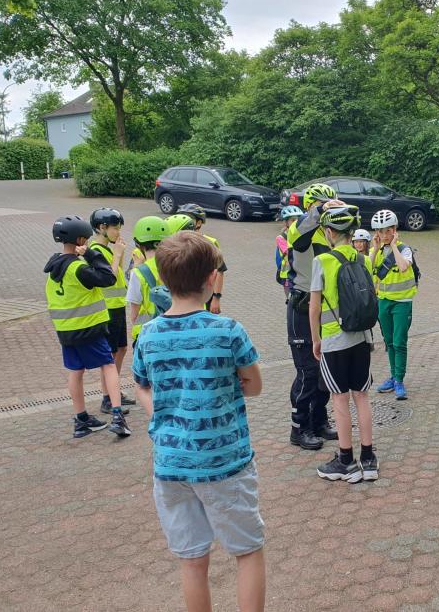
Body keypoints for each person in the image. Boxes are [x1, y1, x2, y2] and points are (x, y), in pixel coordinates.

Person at [132, 231, 265, 612]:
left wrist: (160, 410)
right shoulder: (227, 330)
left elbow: (140, 385)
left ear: (163, 280)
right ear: (211, 279)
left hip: (171, 465)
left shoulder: (149, 335)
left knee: (192, 560)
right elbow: (253, 385)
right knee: (247, 552)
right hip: (225, 463)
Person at [44, 215, 131, 438]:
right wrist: (91, 253)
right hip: (88, 328)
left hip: (66, 331)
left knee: (76, 371)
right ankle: (118, 416)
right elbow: (107, 278)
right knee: (109, 366)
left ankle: (81, 420)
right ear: (81, 239)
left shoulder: (54, 269)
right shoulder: (78, 269)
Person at [309, 205, 378, 483]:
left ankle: (346, 460)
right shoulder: (364, 260)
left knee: (339, 398)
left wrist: (316, 339)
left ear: (329, 232)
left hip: (335, 340)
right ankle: (369, 459)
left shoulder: (322, 261)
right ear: (352, 233)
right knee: (362, 396)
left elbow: (314, 307)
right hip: (362, 337)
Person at [285, 183, 343, 450]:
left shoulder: (325, 234)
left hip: (322, 309)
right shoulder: (300, 228)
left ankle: (319, 420)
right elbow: (297, 238)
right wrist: (319, 209)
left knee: (323, 371)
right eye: (321, 205)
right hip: (300, 309)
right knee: (307, 371)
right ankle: (299, 428)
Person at [89, 208, 137, 415]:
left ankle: (113, 389)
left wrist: (119, 252)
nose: (118, 232)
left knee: (121, 349)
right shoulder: (96, 250)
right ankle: (107, 397)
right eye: (115, 228)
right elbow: (108, 276)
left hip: (117, 305)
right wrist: (118, 254)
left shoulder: (107, 248)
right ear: (102, 228)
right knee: (109, 354)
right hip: (107, 308)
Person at [370, 209, 417, 401]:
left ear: (394, 230)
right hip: (384, 301)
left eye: (387, 230)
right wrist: (374, 248)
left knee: (399, 342)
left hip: (402, 302)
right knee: (389, 343)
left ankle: (399, 379)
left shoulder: (404, 248)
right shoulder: (378, 249)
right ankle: (392, 375)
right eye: (380, 231)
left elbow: (404, 266)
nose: (383, 235)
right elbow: (368, 267)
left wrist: (395, 245)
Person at [176, 204, 227, 314]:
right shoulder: (174, 242)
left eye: (188, 218)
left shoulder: (210, 243)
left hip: (204, 296)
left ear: (199, 222)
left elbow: (219, 271)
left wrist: (216, 298)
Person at [127, 216, 168, 347]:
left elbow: (134, 316)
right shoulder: (178, 265)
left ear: (138, 244)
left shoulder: (138, 272)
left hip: (147, 334)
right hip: (174, 330)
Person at [277, 206, 304, 297]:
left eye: (298, 219)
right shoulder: (281, 238)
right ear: (286, 222)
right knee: (291, 298)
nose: (296, 222)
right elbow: (290, 252)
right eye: (293, 220)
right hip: (288, 273)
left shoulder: (301, 234)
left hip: (300, 271)